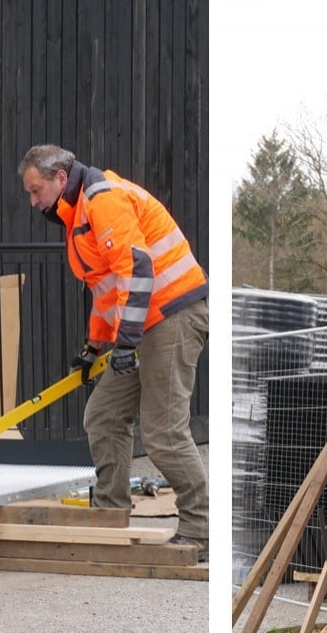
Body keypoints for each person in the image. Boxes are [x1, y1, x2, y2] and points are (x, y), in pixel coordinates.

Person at [18, 144, 211, 559]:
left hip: (174, 315)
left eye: (36, 191)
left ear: (60, 179)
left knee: (163, 434)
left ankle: (201, 529)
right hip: (146, 322)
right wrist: (95, 346)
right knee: (103, 416)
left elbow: (139, 269)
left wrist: (126, 342)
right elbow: (107, 292)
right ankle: (110, 514)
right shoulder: (78, 216)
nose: (34, 202)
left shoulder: (103, 201)